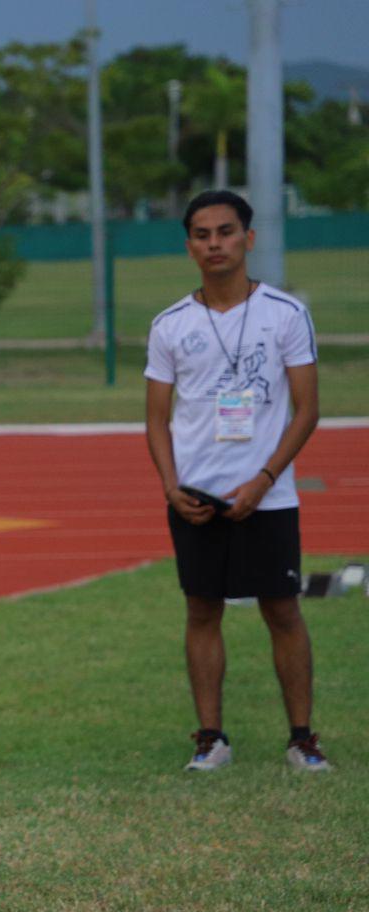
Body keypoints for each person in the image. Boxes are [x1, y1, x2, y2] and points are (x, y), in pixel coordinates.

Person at [144, 189, 329, 774]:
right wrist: (171, 486)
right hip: (195, 497)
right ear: (189, 246)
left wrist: (266, 477)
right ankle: (210, 739)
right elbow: (155, 417)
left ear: (248, 239)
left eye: (226, 232)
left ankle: (302, 739)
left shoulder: (285, 314)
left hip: (268, 495)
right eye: (202, 234)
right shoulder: (171, 324)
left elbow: (307, 410)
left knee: (283, 610)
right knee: (202, 611)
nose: (214, 243)